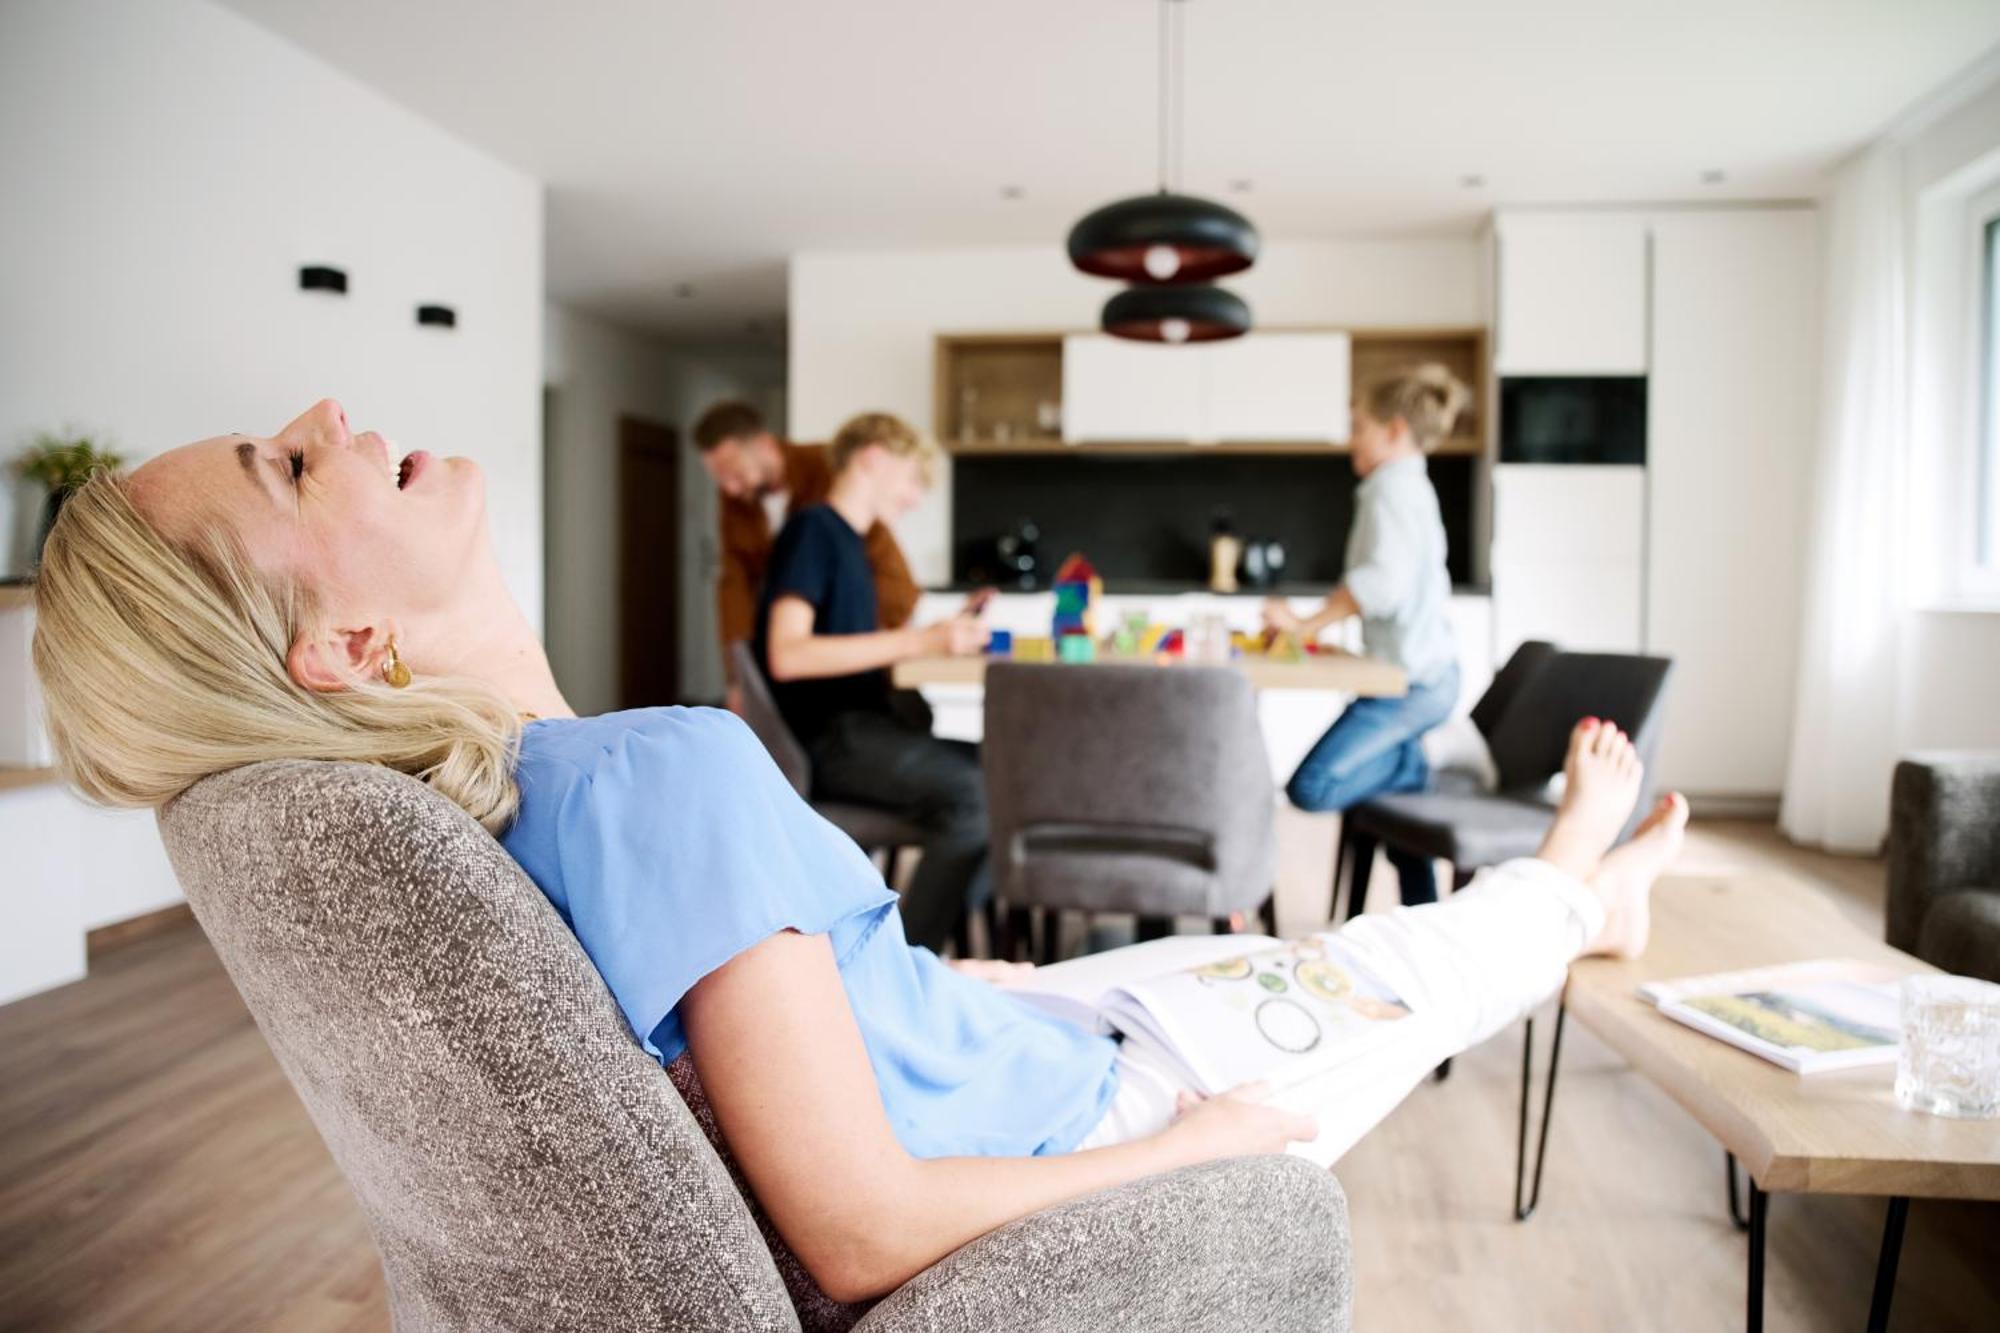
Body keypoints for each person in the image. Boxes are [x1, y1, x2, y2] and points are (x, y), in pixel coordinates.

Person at [32, 398, 1686, 1308]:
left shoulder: (550, 798)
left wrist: (921, 968)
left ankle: (1576, 900)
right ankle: (1580, 887)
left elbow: (740, 1036)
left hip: (995, 1032)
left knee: (1342, 963)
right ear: (350, 646)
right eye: (289, 463)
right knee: (1399, 968)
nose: (328, 413)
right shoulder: (655, 769)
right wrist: (1208, 1148)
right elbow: (863, 1228)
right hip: (1068, 1111)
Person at [754, 411, 990, 952]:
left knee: (1000, 773)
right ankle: (905, 962)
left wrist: (928, 636)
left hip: (864, 730)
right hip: (836, 739)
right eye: (912, 479)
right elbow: (789, 654)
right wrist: (923, 643)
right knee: (974, 794)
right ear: (873, 456)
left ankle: (978, 937)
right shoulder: (814, 531)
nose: (915, 497)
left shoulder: (851, 545)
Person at [1263, 363, 1471, 908]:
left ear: (1395, 430)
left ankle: (1417, 760)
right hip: (1416, 675)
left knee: (1311, 786)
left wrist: (1306, 625)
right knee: (1401, 820)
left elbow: (1380, 584)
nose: (1350, 439)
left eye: (1359, 427)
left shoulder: (1392, 488)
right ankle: (1422, 915)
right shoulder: (1407, 484)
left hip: (1413, 685)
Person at [692, 400, 919, 714]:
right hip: (796, 671)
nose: (729, 488)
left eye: (733, 471)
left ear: (764, 444)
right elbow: (734, 585)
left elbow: (881, 561)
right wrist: (738, 678)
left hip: (843, 657)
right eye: (720, 478)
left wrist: (885, 642)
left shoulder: (826, 471)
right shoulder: (738, 502)